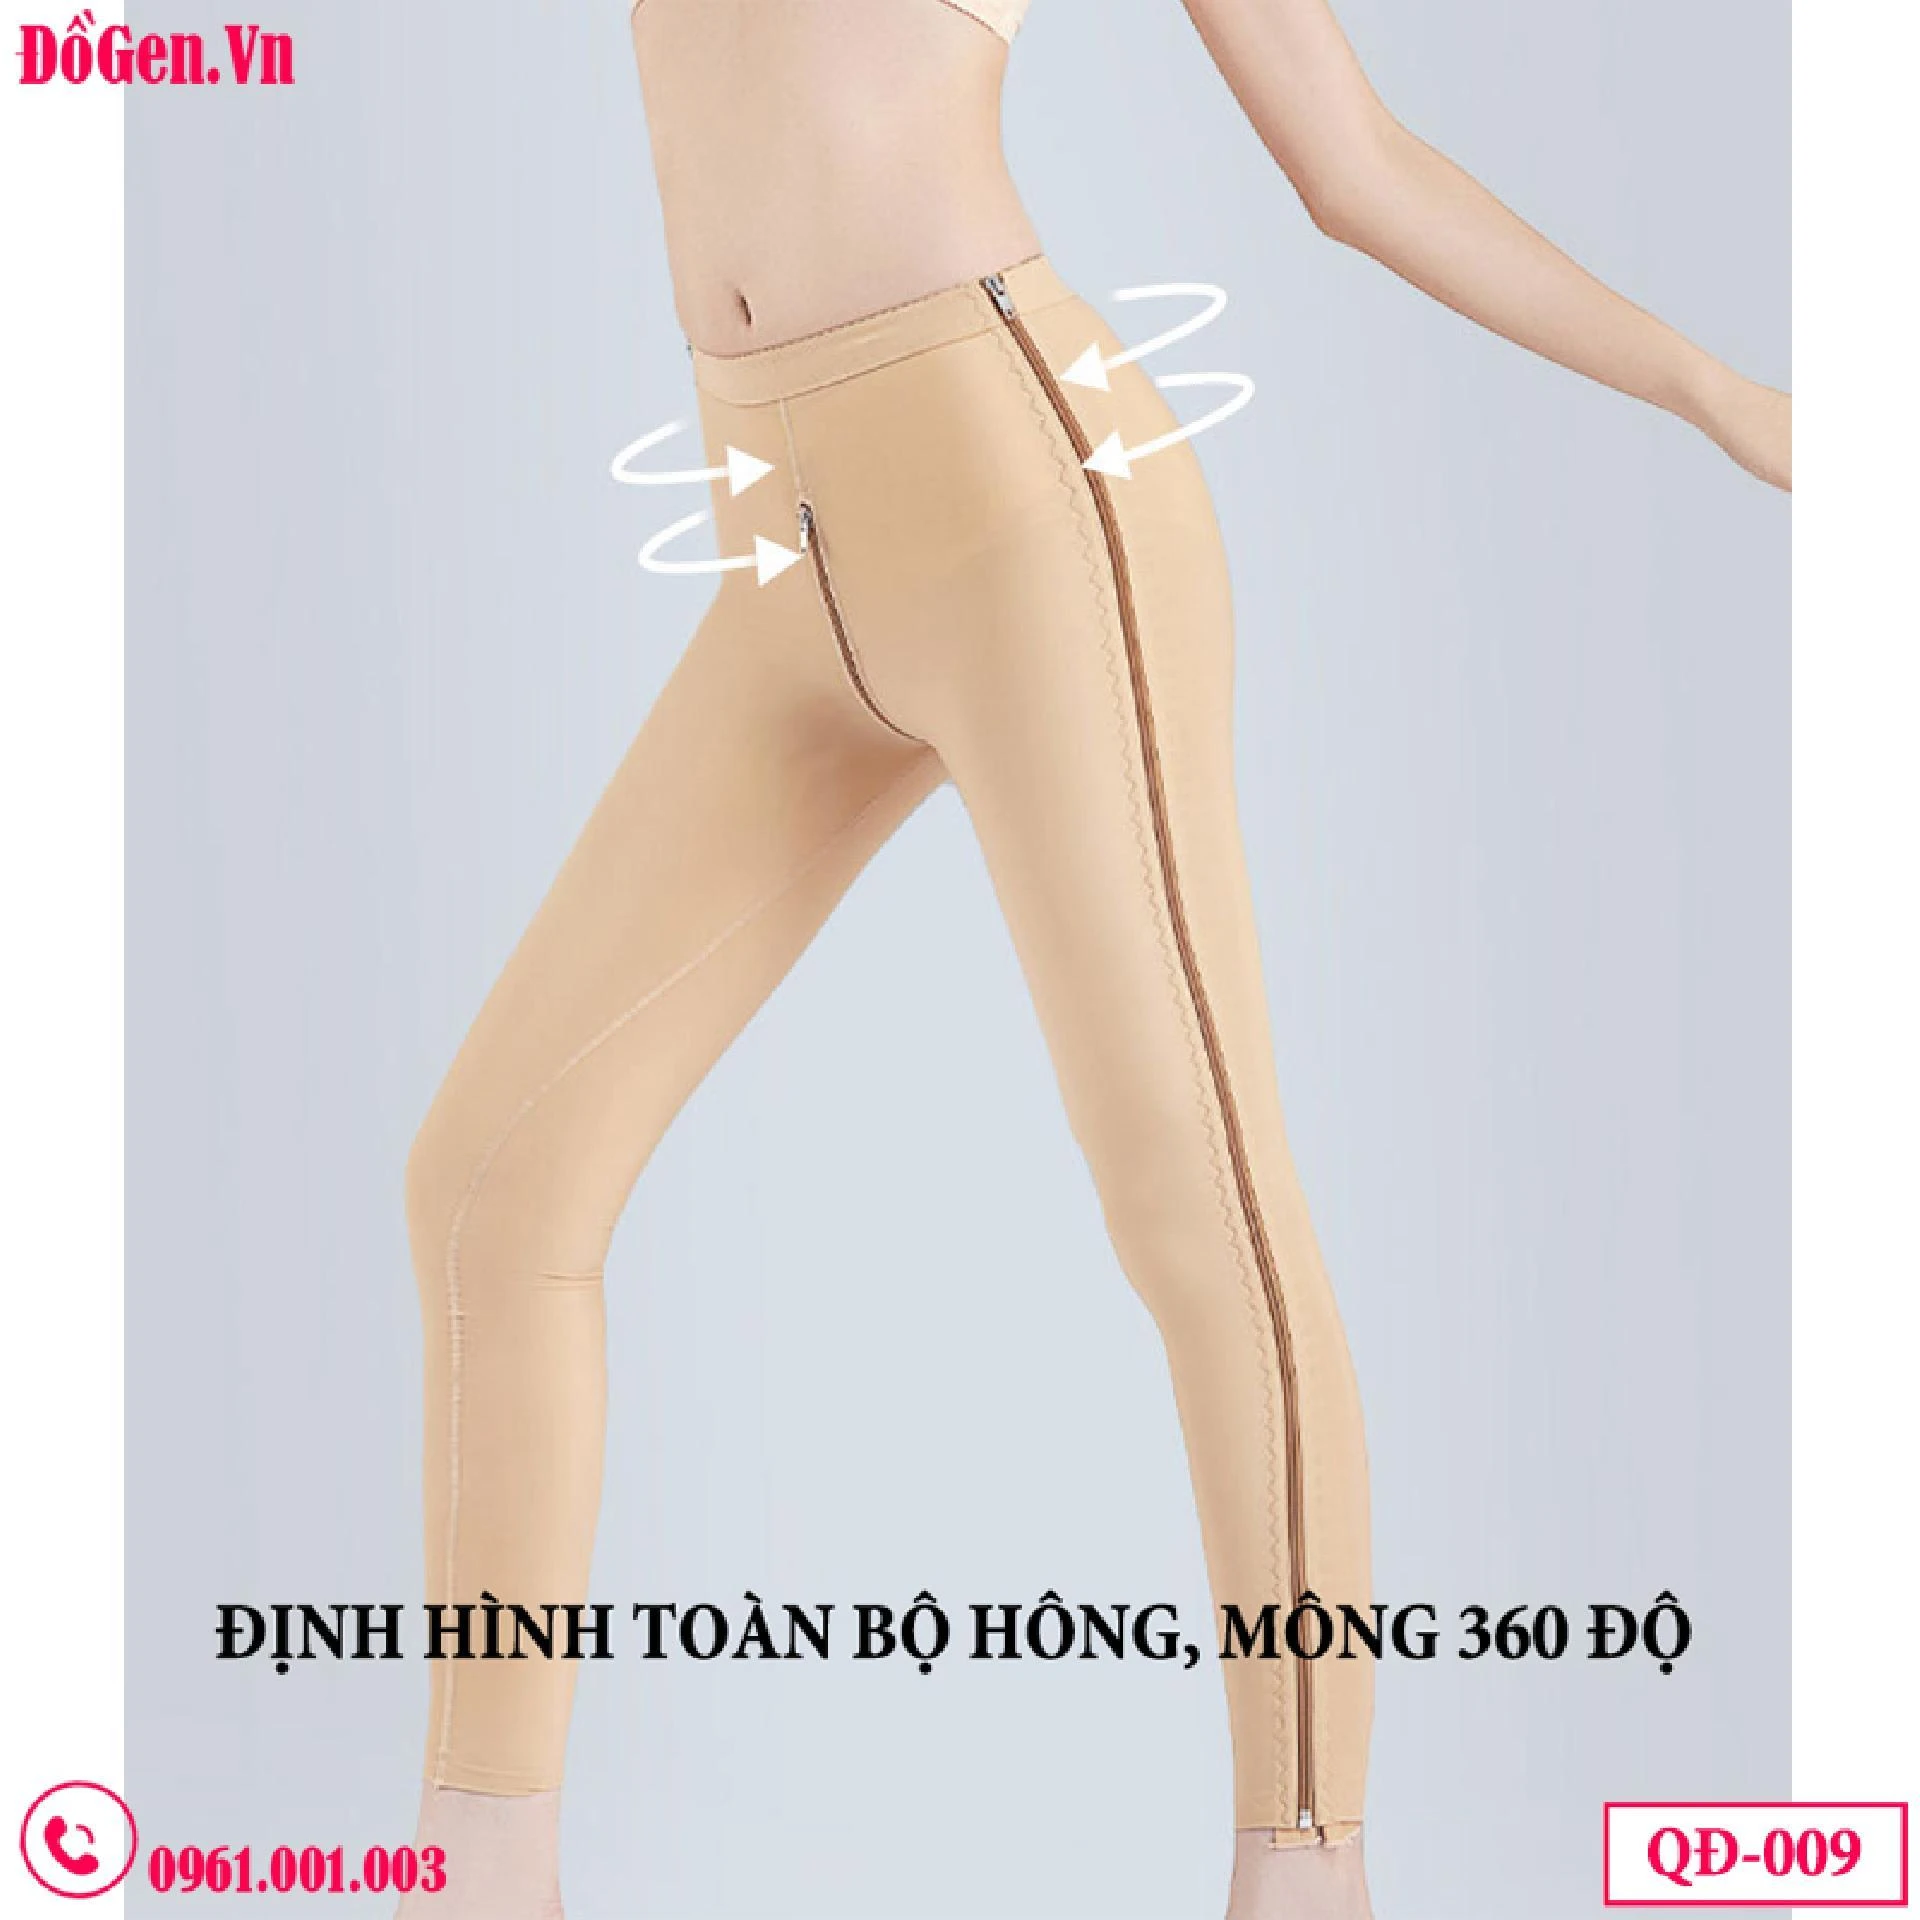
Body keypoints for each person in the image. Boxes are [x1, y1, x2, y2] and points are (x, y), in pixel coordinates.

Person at [396, 3, 1790, 1917]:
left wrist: (1714, 387)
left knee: (1198, 1203)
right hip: (774, 553)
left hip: (1025, 503)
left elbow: (1356, 163)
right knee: (492, 1183)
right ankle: (476, 1876)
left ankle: (1306, 1874)